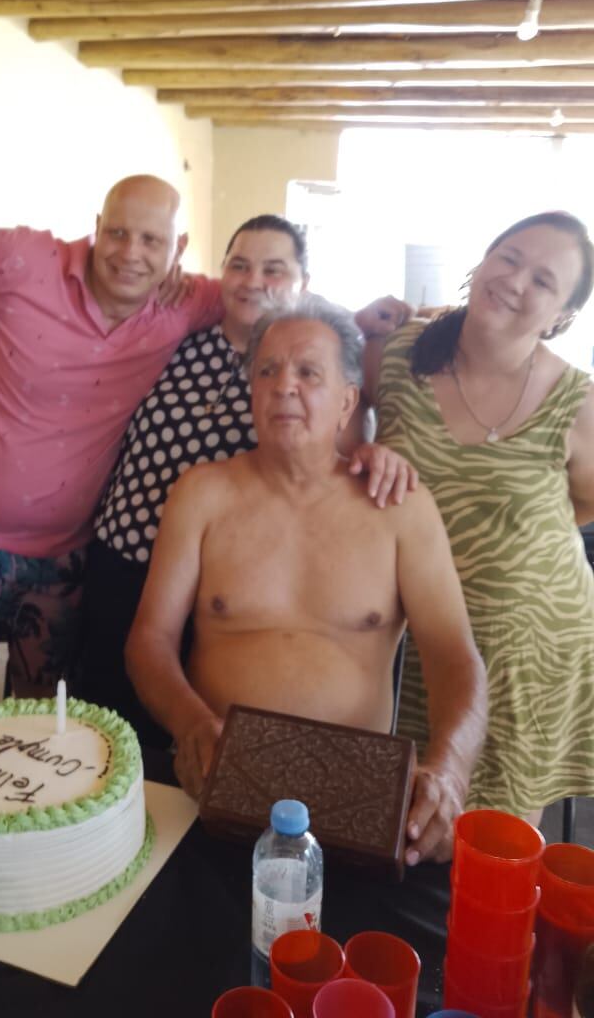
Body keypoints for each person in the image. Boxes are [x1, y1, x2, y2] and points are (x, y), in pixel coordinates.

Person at [0, 177, 408, 701]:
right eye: (117, 233)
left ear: (177, 251)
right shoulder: (26, 261)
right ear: (96, 229)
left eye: (151, 241)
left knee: (42, 718)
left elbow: (271, 302)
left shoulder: (184, 303)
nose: (130, 254)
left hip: (67, 559)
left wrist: (357, 319)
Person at [125, 295, 487, 865]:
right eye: (266, 370)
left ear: (348, 401)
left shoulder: (398, 506)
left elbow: (454, 657)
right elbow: (149, 641)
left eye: (308, 372)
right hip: (214, 783)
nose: (283, 385)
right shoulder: (202, 493)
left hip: (355, 801)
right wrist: (190, 723)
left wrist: (449, 769)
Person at [83, 215, 417, 744]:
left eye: (273, 269)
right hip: (122, 562)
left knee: (185, 735)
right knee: (107, 738)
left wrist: (378, 453)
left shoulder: (300, 370)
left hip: (220, 585)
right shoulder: (180, 340)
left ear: (304, 283)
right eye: (239, 265)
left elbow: (344, 457)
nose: (253, 280)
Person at [363, 211, 594, 824]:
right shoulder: (397, 352)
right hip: (410, 641)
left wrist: (505, 549)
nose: (516, 281)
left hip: (529, 653)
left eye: (544, 281)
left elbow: (586, 504)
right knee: (398, 818)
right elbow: (336, 433)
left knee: (492, 842)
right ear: (483, 261)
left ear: (562, 315)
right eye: (510, 258)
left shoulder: (578, 400)